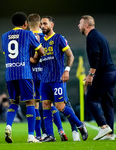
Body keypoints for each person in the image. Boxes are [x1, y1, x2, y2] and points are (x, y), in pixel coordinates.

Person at [31, 16, 88, 142]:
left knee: (60, 106)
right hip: (45, 80)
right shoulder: (40, 43)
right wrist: (23, 58)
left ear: (52, 25)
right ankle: (50, 136)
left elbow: (70, 56)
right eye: (41, 24)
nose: (42, 26)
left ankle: (80, 125)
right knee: (45, 105)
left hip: (57, 78)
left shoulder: (59, 38)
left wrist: (67, 70)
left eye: (45, 23)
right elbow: (35, 60)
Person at [1, 12, 44, 143]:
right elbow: (41, 51)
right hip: (24, 73)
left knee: (14, 102)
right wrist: (35, 59)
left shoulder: (4, 36)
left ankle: (8, 126)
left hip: (10, 73)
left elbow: (7, 53)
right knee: (30, 102)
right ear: (25, 23)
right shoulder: (28, 34)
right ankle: (31, 136)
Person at [28, 13, 68, 141]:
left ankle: (40, 134)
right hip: (46, 74)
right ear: (39, 24)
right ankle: (60, 130)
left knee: (35, 105)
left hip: (33, 74)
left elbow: (31, 58)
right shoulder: (44, 37)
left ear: (28, 24)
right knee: (51, 104)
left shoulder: (28, 37)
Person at [78, 15, 116, 140]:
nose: (78, 26)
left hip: (104, 73)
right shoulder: (100, 35)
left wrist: (91, 74)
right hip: (112, 73)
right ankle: (110, 134)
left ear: (86, 25)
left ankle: (103, 126)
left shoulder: (91, 37)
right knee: (107, 104)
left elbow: (96, 55)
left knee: (90, 100)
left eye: (79, 23)